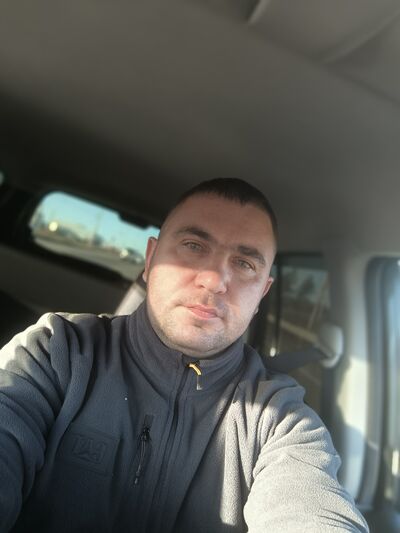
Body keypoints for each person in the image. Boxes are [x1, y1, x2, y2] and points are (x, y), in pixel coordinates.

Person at [0, 178, 368, 532]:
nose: (214, 280)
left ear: (262, 293)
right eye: (193, 245)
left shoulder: (281, 420)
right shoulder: (57, 350)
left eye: (244, 264)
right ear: (150, 260)